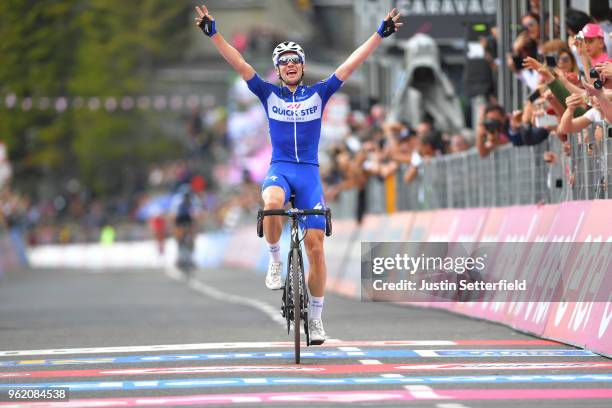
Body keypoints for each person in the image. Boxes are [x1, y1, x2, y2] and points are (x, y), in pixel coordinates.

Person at [195, 4, 402, 344]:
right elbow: (240, 63)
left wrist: (379, 34)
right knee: (273, 201)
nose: (290, 65)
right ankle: (275, 261)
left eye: (295, 61)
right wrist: (214, 33)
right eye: (284, 62)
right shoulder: (268, 93)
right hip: (280, 169)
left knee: (316, 248)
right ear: (278, 70)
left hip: (308, 174)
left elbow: (350, 64)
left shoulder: (319, 93)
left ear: (302, 67)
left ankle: (317, 318)